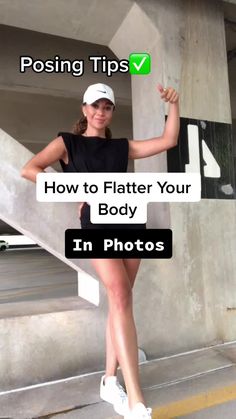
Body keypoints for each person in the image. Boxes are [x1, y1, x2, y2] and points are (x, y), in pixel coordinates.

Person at [21, 82, 180, 419]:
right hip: (96, 226)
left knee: (121, 302)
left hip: (132, 224)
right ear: (84, 109)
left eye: (107, 107)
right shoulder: (68, 143)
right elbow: (30, 169)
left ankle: (109, 380)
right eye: (95, 106)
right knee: (120, 294)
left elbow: (168, 141)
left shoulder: (121, 147)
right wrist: (73, 191)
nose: (100, 112)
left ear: (111, 112)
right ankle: (135, 399)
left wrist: (174, 105)